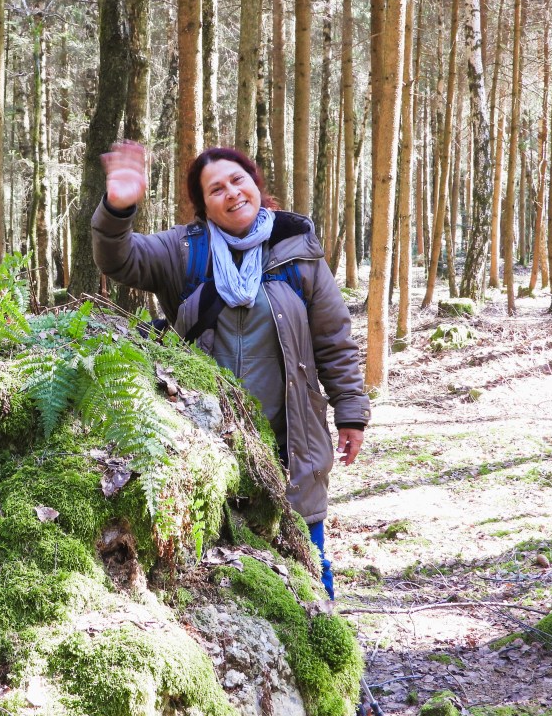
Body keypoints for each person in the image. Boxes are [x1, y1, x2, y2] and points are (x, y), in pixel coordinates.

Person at [91, 141, 371, 598]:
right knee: (219, 575)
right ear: (203, 205)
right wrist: (119, 207)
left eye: (238, 180)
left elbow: (334, 339)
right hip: (203, 447)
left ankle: (322, 651)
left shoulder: (297, 253)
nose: (232, 193)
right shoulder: (182, 251)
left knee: (307, 562)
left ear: (256, 185)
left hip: (289, 441)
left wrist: (351, 413)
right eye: (216, 188)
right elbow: (117, 259)